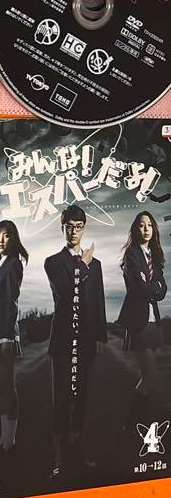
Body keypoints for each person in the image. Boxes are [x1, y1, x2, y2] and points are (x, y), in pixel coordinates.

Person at [45, 204, 107, 478]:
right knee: (62, 400)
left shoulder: (96, 264)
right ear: (62, 227)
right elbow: (66, 293)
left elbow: (97, 302)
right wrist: (83, 265)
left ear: (84, 228)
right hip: (62, 340)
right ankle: (60, 458)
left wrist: (100, 336)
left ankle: (77, 452)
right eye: (69, 226)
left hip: (86, 341)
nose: (73, 232)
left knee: (81, 398)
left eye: (78, 227)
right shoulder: (52, 262)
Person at [118, 211, 166, 431]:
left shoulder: (154, 256)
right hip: (138, 320)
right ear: (135, 229)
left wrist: (152, 286)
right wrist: (153, 286)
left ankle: (140, 420)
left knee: (146, 375)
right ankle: (131, 421)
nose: (146, 229)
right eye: (141, 225)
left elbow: (162, 289)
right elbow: (139, 287)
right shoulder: (132, 254)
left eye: (149, 225)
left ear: (154, 229)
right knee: (151, 376)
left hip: (153, 319)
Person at [0, 221, 28, 456]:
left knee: (8, 387)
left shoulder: (13, 264)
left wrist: (8, 337)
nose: (1, 240)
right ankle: (3, 438)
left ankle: (10, 441)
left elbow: (12, 302)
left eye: (7, 235)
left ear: (14, 239)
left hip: (6, 334)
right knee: (1, 388)